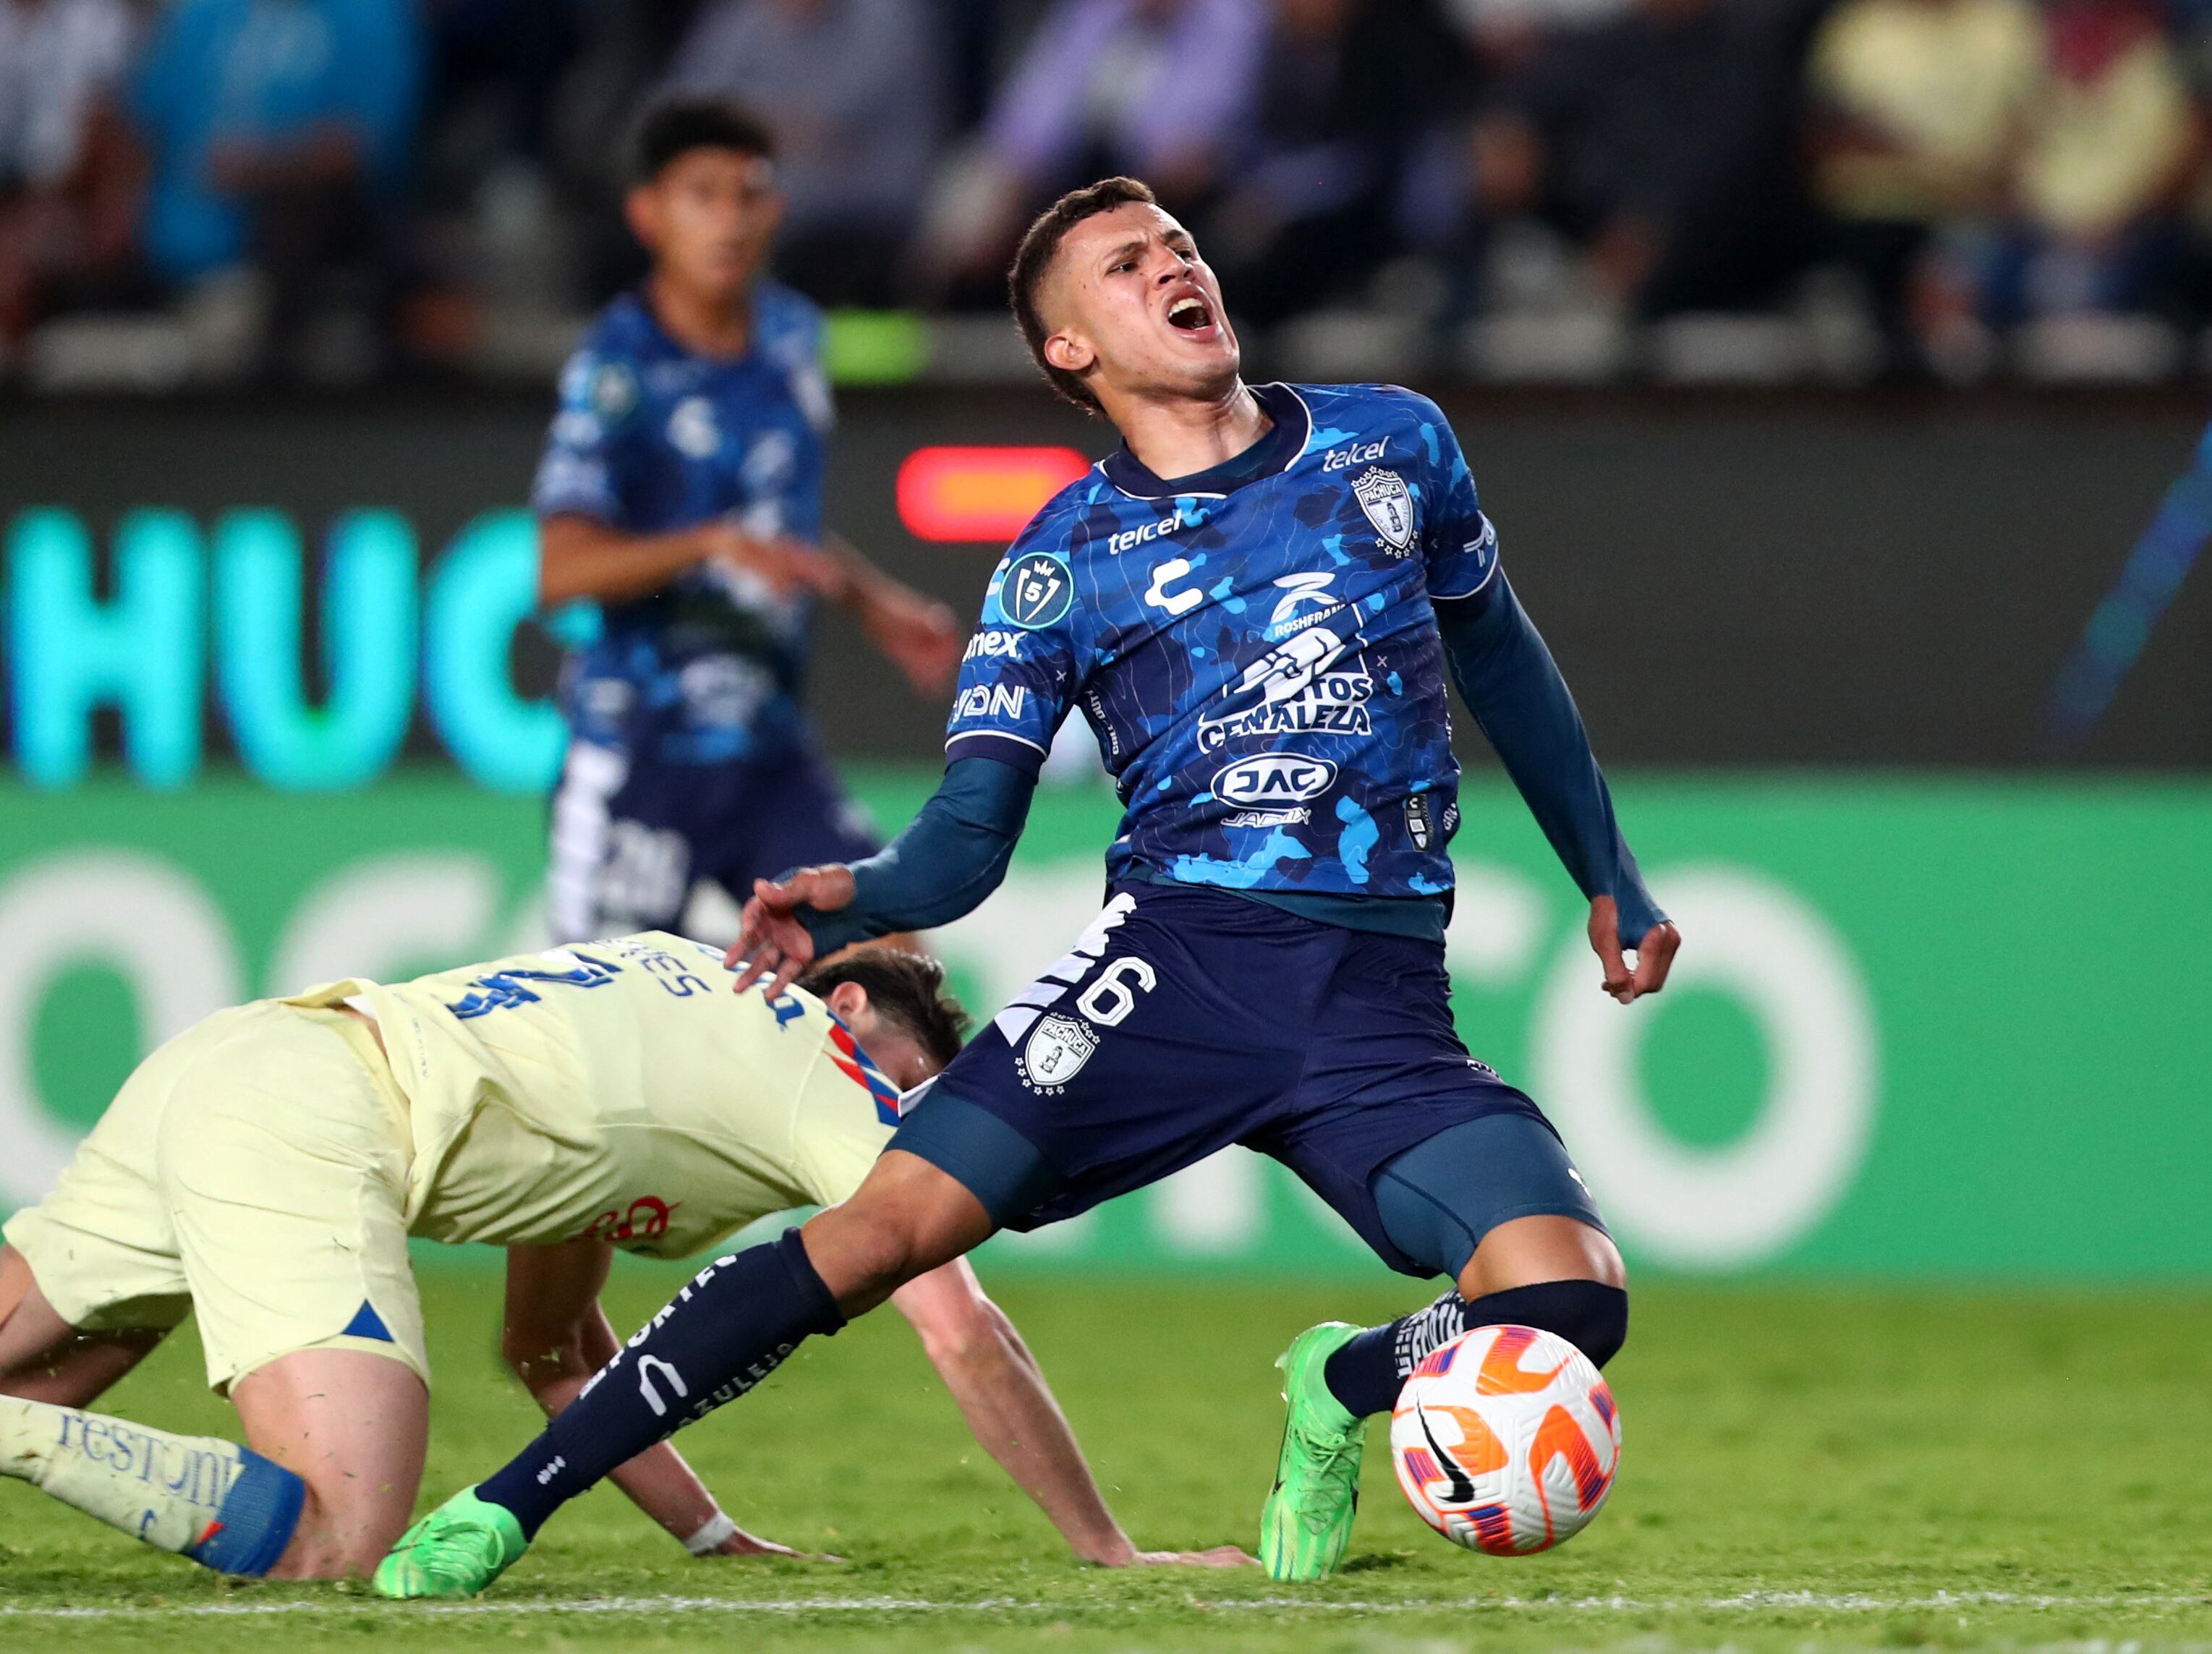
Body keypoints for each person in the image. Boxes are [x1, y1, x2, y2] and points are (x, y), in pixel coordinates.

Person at [377, 174, 1680, 1598]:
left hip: (1374, 1010)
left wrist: (1603, 870)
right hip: (1175, 968)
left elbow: (1498, 659)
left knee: (1566, 1300)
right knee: (877, 1238)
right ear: (1073, 351)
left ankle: (1340, 1382)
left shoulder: (1389, 443)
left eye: (1176, 247)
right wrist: (854, 896)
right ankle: (503, 1507)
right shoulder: (1059, 563)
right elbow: (966, 842)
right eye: (1124, 268)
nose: (1174, 270)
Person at [0, 940, 1246, 1579]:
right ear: (856, 1011)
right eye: (921, 1095)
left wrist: (713, 1536)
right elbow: (966, 1330)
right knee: (338, 1534)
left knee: (55, 1361)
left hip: (242, 1055)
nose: (921, 1141)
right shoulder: (831, 1061)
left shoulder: (657, 1020)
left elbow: (551, 1354)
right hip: (319, 1119)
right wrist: (1104, 1546)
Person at [536, 97, 961, 945]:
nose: (729, 219)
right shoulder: (618, 369)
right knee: (602, 1033)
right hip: (640, 756)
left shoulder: (794, 340)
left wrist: (870, 600)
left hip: (767, 754)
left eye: (748, 193)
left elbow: (780, 529)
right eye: (702, 194)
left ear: (777, 207)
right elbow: (561, 570)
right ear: (647, 214)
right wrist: (705, 542)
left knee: (886, 957)